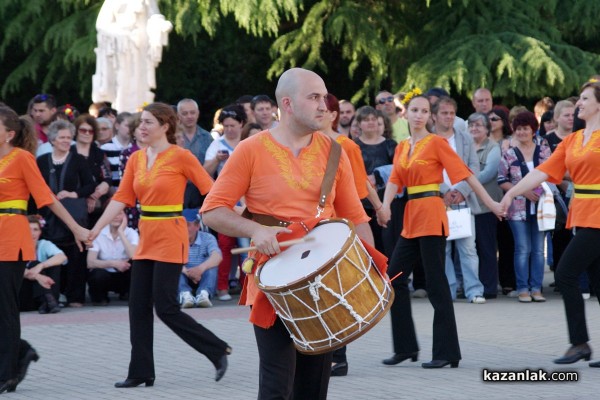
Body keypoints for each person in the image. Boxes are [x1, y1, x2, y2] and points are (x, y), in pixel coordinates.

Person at [201, 68, 377, 400]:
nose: (324, 105)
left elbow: (356, 219)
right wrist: (255, 229)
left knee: (313, 387)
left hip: (323, 281)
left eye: (324, 96)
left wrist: (370, 275)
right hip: (272, 280)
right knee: (276, 383)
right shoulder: (251, 150)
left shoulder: (335, 151)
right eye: (314, 97)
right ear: (288, 103)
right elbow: (212, 210)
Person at [88, 102, 230, 388]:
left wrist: (230, 214)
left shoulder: (181, 156)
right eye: (141, 122)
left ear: (165, 126)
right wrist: (96, 228)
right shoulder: (136, 159)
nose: (141, 127)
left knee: (166, 307)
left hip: (171, 233)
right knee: (137, 306)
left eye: (149, 122)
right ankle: (141, 371)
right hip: (146, 236)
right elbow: (121, 198)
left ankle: (215, 348)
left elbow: (210, 190)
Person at [377, 90, 503, 369]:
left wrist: (490, 203)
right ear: (406, 114)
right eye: (415, 110)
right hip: (410, 218)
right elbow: (395, 181)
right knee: (393, 278)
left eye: (424, 111)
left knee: (436, 284)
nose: (419, 115)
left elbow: (465, 174)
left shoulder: (436, 143)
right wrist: (384, 207)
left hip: (433, 214)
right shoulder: (402, 147)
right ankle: (406, 347)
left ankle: (447, 353)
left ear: (430, 117)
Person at [499, 80, 600, 367]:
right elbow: (542, 173)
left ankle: (579, 343)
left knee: (566, 273)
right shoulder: (571, 141)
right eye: (578, 99)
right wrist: (512, 195)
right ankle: (580, 343)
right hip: (582, 214)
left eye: (584, 98)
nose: (578, 103)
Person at [0, 105, 89, 394]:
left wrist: (76, 228)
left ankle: (7, 373)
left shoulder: (22, 158)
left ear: (9, 134)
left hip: (11, 236)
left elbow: (47, 198)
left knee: (6, 309)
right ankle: (21, 352)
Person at [37, 120, 96, 307]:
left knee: (76, 254)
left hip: (72, 215)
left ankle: (75, 297)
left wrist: (73, 193)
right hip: (48, 216)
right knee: (52, 253)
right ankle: (53, 294)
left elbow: (90, 184)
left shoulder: (78, 160)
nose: (65, 141)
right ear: (52, 140)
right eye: (62, 137)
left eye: (69, 138)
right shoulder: (41, 161)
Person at [497, 111, 551, 303]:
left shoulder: (544, 151)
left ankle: (536, 288)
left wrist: (535, 191)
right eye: (518, 129)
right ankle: (522, 289)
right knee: (522, 248)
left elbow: (550, 174)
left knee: (538, 250)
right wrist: (522, 191)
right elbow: (502, 179)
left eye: (525, 128)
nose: (521, 132)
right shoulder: (508, 154)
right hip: (517, 209)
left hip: (540, 207)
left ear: (533, 130)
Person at [92, 0, 173, 112]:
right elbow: (102, 25)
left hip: (141, 48)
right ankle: (123, 113)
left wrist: (161, 25)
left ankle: (142, 111)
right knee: (122, 85)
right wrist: (121, 33)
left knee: (141, 84)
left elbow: (154, 16)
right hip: (123, 49)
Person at [467, 113, 503, 299]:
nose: (474, 129)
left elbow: (489, 172)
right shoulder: (465, 147)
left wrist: (464, 183)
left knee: (487, 248)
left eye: (478, 125)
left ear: (487, 128)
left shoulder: (493, 147)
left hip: (486, 206)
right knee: (468, 250)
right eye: (471, 125)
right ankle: (469, 286)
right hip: (466, 206)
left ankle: (489, 288)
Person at [87, 210, 138, 305]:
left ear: (125, 217)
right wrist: (114, 263)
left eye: (120, 213)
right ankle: (100, 298)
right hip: (106, 274)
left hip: (124, 273)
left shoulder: (132, 233)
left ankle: (127, 294)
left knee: (136, 268)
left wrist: (121, 232)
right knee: (97, 275)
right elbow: (90, 262)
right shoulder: (98, 234)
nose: (116, 216)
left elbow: (133, 255)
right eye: (113, 213)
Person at [19, 215, 67, 314]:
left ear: (40, 232)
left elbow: (62, 257)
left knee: (52, 263)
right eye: (28, 229)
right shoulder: (16, 247)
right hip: (25, 298)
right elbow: (10, 269)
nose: (32, 233)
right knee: (34, 263)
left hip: (46, 295)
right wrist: (37, 276)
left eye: (35, 229)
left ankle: (47, 301)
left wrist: (40, 266)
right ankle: (48, 300)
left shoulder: (44, 244)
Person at [178, 209, 221, 308]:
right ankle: (185, 295)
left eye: (188, 224)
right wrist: (189, 272)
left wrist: (200, 269)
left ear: (197, 226)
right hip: (184, 274)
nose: (184, 228)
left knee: (212, 265)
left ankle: (204, 294)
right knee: (172, 269)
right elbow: (169, 259)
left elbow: (217, 256)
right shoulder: (174, 238)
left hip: (203, 275)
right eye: (182, 224)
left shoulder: (208, 238)